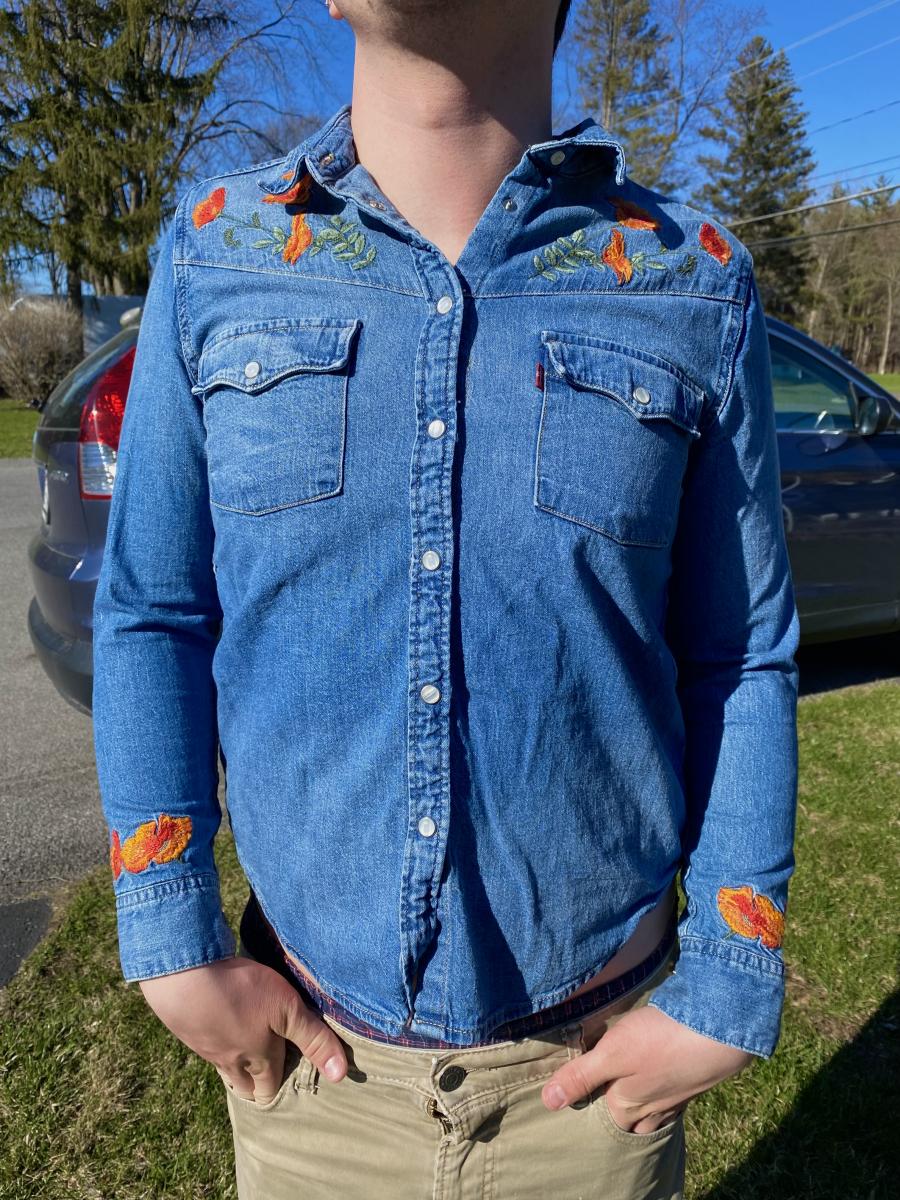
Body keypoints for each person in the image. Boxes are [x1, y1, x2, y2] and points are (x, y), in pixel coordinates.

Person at [90, 1, 800, 1197]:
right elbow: (154, 612)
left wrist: (733, 973)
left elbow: (742, 653)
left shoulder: (694, 279)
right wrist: (168, 934)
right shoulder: (216, 255)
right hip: (313, 1086)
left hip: (591, 1092)